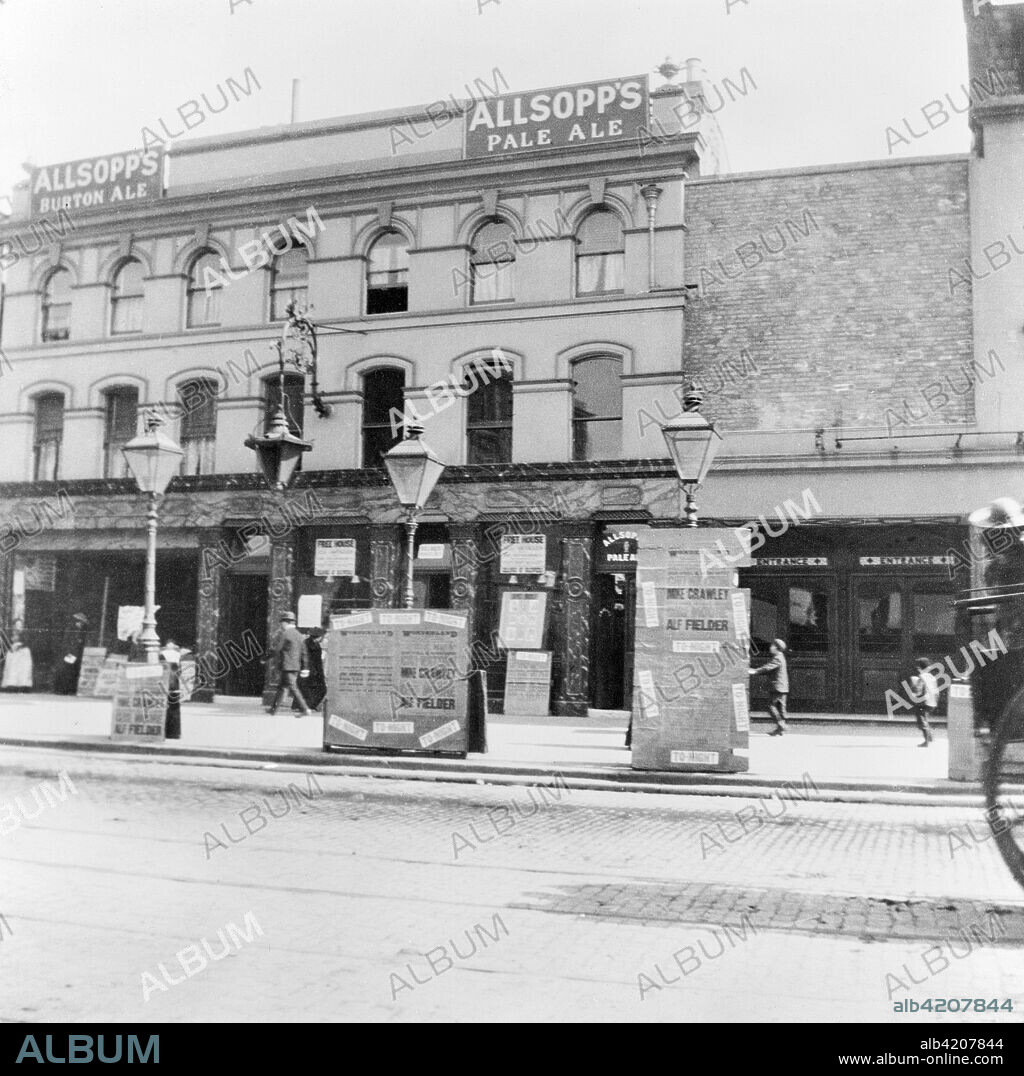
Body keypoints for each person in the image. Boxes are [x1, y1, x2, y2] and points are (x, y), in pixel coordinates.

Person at [967, 496, 1024, 735]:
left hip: (1017, 631)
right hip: (1011, 630)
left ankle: (990, 723)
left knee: (987, 665)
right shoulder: (1002, 561)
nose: (988, 541)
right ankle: (989, 724)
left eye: (993, 535)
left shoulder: (1013, 559)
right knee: (981, 660)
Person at [267, 611, 311, 717]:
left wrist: (266, 658)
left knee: (293, 687)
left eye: (282, 622)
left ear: (286, 622)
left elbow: (277, 649)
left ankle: (305, 709)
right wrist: (305, 667)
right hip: (295, 666)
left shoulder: (285, 634)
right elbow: (304, 652)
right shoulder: (300, 635)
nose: (281, 625)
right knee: (282, 688)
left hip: (287, 666)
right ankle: (273, 710)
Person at [749, 638, 789, 736]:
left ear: (776, 648)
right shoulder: (781, 657)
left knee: (770, 706)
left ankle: (781, 725)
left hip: (777, 687)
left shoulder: (777, 658)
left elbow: (768, 667)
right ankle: (780, 729)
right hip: (782, 687)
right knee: (780, 708)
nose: (770, 648)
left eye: (772, 646)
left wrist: (755, 671)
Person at [54, 613, 89, 694]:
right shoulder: (72, 630)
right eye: (80, 622)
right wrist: (69, 653)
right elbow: (69, 643)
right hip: (70, 654)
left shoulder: (79, 631)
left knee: (69, 671)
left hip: (73, 654)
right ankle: (63, 690)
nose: (80, 624)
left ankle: (67, 689)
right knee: (66, 671)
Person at [907, 657, 938, 747]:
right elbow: (936, 691)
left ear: (919, 668)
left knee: (921, 720)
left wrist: (914, 694)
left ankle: (926, 741)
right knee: (925, 718)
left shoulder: (921, 677)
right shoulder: (932, 677)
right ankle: (930, 737)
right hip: (932, 702)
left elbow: (919, 690)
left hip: (924, 702)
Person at [294, 627, 326, 712]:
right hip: (310, 671)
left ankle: (306, 705)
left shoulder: (310, 643)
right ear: (319, 637)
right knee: (312, 689)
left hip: (310, 670)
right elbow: (314, 661)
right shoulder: (312, 645)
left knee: (306, 688)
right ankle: (307, 706)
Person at [160, 640, 182, 740]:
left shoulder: (161, 654)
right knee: (173, 707)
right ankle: (173, 733)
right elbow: (179, 670)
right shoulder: (178, 655)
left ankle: (166, 732)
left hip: (164, 682)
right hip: (174, 683)